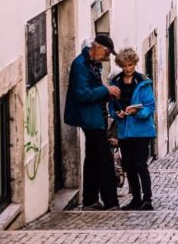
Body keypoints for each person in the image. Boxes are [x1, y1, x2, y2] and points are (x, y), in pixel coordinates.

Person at [65, 34, 121, 211]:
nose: (106, 57)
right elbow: (82, 94)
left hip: (95, 116)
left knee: (92, 159)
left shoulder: (91, 63)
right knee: (104, 159)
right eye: (106, 53)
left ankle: (89, 200)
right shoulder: (81, 65)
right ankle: (111, 202)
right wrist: (106, 90)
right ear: (96, 48)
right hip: (91, 119)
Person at [108, 48, 157, 211]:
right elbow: (112, 105)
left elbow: (150, 107)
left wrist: (137, 112)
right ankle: (135, 199)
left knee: (140, 165)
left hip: (142, 131)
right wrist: (117, 114)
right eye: (125, 66)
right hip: (124, 131)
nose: (128, 68)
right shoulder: (116, 82)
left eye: (131, 65)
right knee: (128, 165)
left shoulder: (143, 82)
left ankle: (147, 199)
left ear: (135, 64)